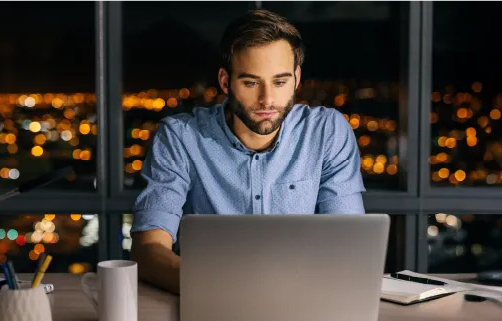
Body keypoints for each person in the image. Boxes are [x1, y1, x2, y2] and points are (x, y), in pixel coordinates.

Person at [129, 9, 366, 294]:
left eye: (280, 82)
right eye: (251, 82)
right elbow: (149, 250)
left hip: (301, 300)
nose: (267, 99)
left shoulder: (327, 131)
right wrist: (217, 290)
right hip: (208, 300)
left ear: (297, 78)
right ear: (225, 81)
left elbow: (347, 246)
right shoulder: (180, 137)